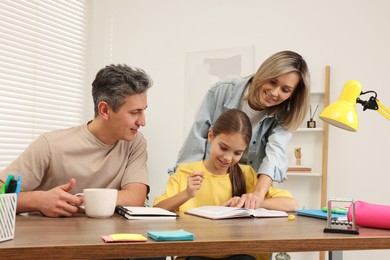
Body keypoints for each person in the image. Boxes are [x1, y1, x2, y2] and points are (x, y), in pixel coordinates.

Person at [0, 64, 153, 217]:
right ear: (105, 110)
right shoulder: (50, 144)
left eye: (143, 110)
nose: (142, 121)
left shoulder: (134, 142)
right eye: (135, 112)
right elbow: (1, 192)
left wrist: (80, 200)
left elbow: (135, 198)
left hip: (105, 237)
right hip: (49, 237)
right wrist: (38, 200)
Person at [171, 50, 310, 210]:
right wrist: (183, 184)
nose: (274, 93)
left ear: (292, 94)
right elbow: (197, 138)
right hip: (210, 179)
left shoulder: (286, 112)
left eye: (285, 90)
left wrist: (257, 195)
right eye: (272, 82)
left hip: (245, 186)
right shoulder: (223, 89)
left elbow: (275, 154)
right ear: (264, 73)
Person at [155, 109, 298, 260]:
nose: (228, 158)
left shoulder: (247, 174)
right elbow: (157, 210)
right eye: (223, 148)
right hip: (196, 254)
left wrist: (251, 201)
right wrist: (186, 194)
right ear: (211, 136)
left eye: (237, 153)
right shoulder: (186, 172)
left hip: (240, 255)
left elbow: (291, 204)